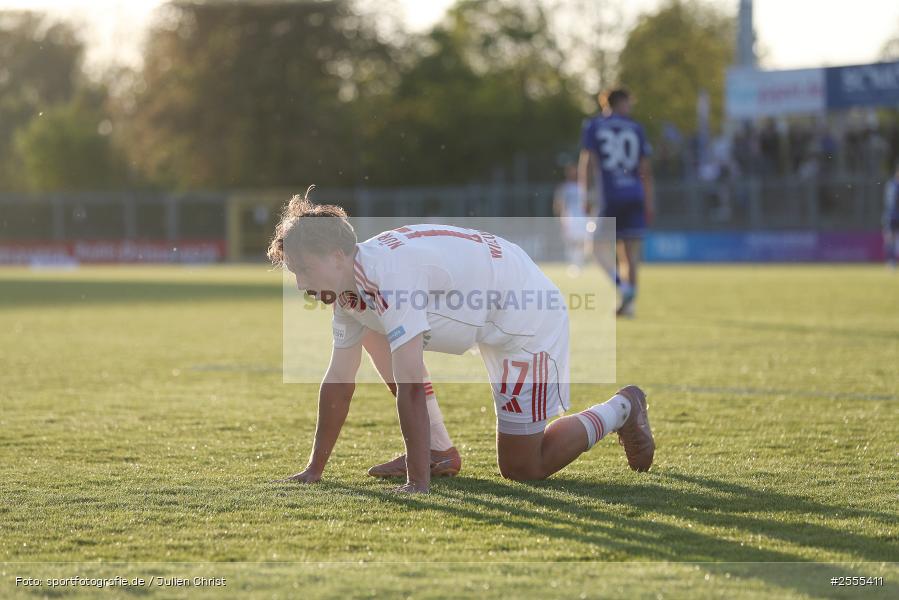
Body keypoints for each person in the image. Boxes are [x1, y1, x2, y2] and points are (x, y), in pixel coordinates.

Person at [267, 190, 656, 494]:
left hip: (525, 318)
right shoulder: (351, 284)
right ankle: (438, 451)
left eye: (304, 269)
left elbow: (411, 387)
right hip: (486, 306)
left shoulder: (388, 278)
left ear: (337, 256)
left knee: (524, 467)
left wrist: (417, 484)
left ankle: (622, 408)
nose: (301, 284)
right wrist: (313, 471)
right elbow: (338, 382)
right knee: (371, 327)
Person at [579, 88, 654, 317]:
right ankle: (629, 304)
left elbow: (587, 162)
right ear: (621, 102)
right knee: (628, 252)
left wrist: (585, 195)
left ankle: (623, 288)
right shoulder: (636, 128)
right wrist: (649, 201)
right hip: (634, 194)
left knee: (595, 248)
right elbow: (645, 169)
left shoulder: (594, 126)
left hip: (609, 196)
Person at [553, 164, 591, 273]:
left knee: (582, 241)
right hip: (570, 218)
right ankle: (573, 264)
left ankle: (579, 263)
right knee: (571, 242)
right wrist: (560, 217)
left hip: (583, 218)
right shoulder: (564, 187)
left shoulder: (583, 186)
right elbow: (559, 203)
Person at [884, 163, 899, 269]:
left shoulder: (891, 185)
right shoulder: (892, 185)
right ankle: (891, 261)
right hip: (893, 216)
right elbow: (892, 202)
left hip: (892, 215)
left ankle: (891, 261)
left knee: (891, 239)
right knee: (890, 238)